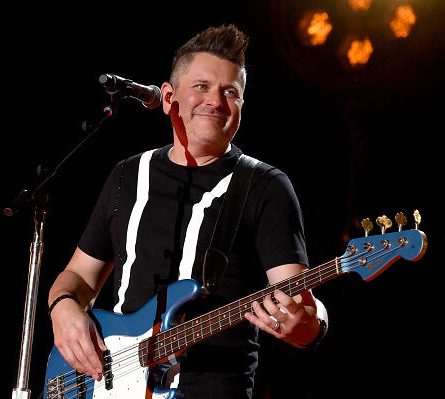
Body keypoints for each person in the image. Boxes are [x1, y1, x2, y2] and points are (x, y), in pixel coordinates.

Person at [48, 24, 328, 399]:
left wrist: (305, 326)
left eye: (231, 92)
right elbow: (78, 276)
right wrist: (63, 310)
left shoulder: (265, 187)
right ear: (167, 98)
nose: (216, 101)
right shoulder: (127, 175)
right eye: (201, 86)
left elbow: (301, 305)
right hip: (108, 384)